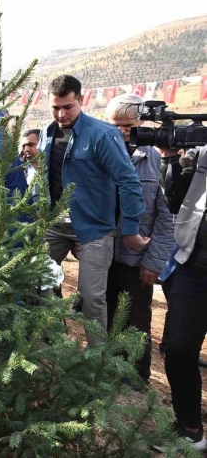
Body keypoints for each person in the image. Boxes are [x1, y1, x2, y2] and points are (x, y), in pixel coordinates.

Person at [38, 75, 147, 341]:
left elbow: (129, 182)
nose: (61, 114)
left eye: (67, 107)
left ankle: (95, 361)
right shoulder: (45, 134)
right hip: (53, 225)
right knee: (39, 286)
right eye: (55, 108)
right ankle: (47, 350)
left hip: (94, 228)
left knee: (91, 298)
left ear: (81, 100)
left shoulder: (103, 134)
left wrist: (131, 228)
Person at [103, 94, 175, 388]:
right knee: (107, 311)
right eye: (115, 125)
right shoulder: (102, 155)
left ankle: (136, 374)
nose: (122, 131)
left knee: (137, 316)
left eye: (128, 125)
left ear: (141, 123)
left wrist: (154, 261)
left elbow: (166, 217)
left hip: (139, 258)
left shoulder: (157, 159)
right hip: (106, 253)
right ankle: (108, 368)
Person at [152, 139, 207, 451]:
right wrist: (171, 157)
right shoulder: (201, 156)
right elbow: (174, 201)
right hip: (193, 265)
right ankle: (189, 427)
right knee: (177, 348)